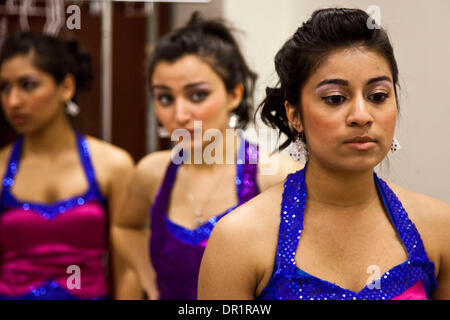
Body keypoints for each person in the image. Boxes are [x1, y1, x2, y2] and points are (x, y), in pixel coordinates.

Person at [198, 8, 450, 300]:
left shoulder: (439, 226)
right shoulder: (239, 240)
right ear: (295, 115)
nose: (361, 115)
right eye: (335, 99)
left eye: (378, 96)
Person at [112, 12, 301, 300]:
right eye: (165, 98)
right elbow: (124, 226)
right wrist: (149, 280)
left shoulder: (277, 177)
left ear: (234, 95)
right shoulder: (152, 173)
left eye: (197, 95)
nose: (180, 114)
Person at [0, 32, 141, 299]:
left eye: (28, 85)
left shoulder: (113, 165)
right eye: (4, 88)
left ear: (66, 87)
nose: (13, 101)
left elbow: (128, 270)